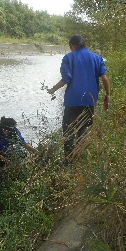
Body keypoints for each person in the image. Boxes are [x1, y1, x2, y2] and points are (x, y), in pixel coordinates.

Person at [47, 34, 111, 162]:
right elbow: (104, 78)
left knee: (68, 130)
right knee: (84, 129)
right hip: (89, 101)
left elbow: (66, 79)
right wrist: (107, 95)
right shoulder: (97, 58)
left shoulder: (68, 58)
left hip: (72, 101)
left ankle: (69, 160)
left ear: (73, 45)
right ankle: (80, 157)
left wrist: (53, 89)